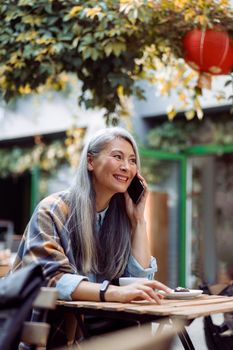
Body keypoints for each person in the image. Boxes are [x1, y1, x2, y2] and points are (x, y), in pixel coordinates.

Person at [12, 127, 171, 345]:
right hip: (52, 331)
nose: (127, 167)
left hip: (99, 329)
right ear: (90, 162)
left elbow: (138, 281)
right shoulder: (52, 210)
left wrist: (138, 221)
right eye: (117, 157)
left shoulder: (121, 218)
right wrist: (113, 293)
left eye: (132, 160)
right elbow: (52, 279)